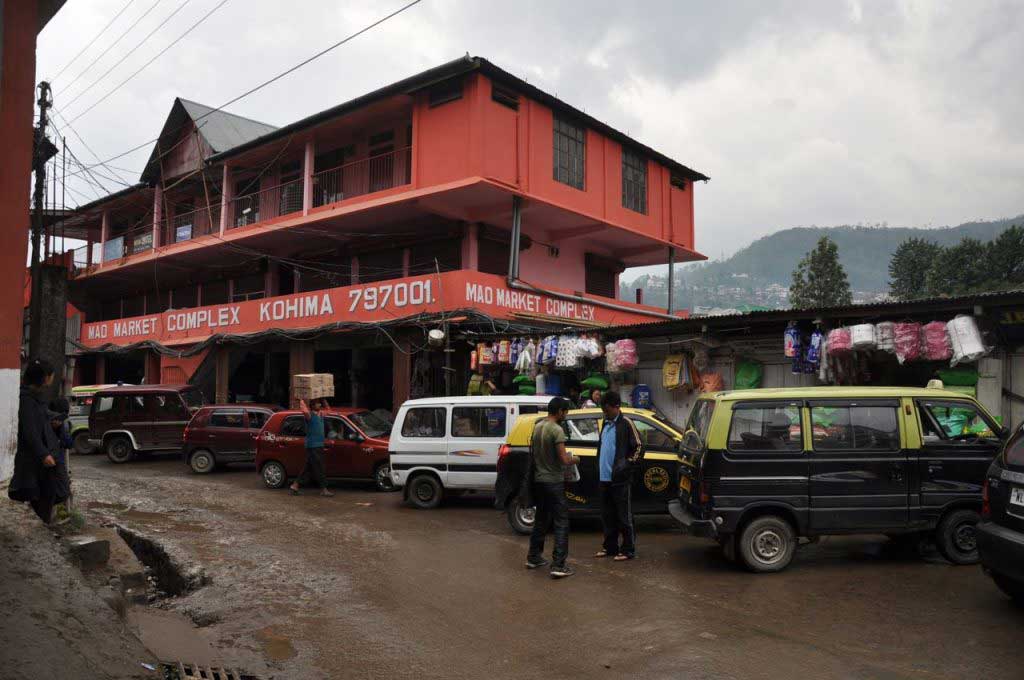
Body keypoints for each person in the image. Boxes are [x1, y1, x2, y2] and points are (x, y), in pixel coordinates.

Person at [524, 397, 579, 579]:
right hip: (554, 482)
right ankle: (559, 565)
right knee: (561, 521)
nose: (566, 415)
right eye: (566, 412)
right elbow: (564, 459)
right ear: (560, 411)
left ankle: (533, 557)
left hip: (539, 480)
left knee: (541, 519)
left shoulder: (538, 426)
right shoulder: (556, 430)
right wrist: (575, 459)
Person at [595, 391, 644, 561]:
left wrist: (627, 464)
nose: (605, 413)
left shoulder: (626, 423)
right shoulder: (605, 422)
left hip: (620, 480)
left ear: (616, 407)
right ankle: (610, 547)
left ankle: (628, 549)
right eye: (603, 410)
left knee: (624, 516)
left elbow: (639, 447)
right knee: (607, 516)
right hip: (604, 479)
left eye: (607, 410)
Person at [9, 360, 59, 523]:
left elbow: (38, 423)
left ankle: (44, 524)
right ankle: (42, 526)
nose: (52, 378)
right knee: (41, 494)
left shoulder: (36, 398)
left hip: (41, 455)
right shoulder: (26, 400)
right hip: (33, 458)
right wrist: (43, 454)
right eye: (50, 375)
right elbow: (29, 431)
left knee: (48, 493)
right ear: (44, 378)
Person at [289, 398, 333, 497]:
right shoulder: (309, 415)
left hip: (319, 445)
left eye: (319, 403)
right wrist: (302, 400)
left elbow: (329, 411)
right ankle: (323, 489)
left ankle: (295, 485)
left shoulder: (321, 414)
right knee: (319, 466)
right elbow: (304, 410)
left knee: (308, 467)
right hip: (313, 445)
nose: (320, 405)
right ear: (312, 406)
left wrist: (324, 400)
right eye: (318, 404)